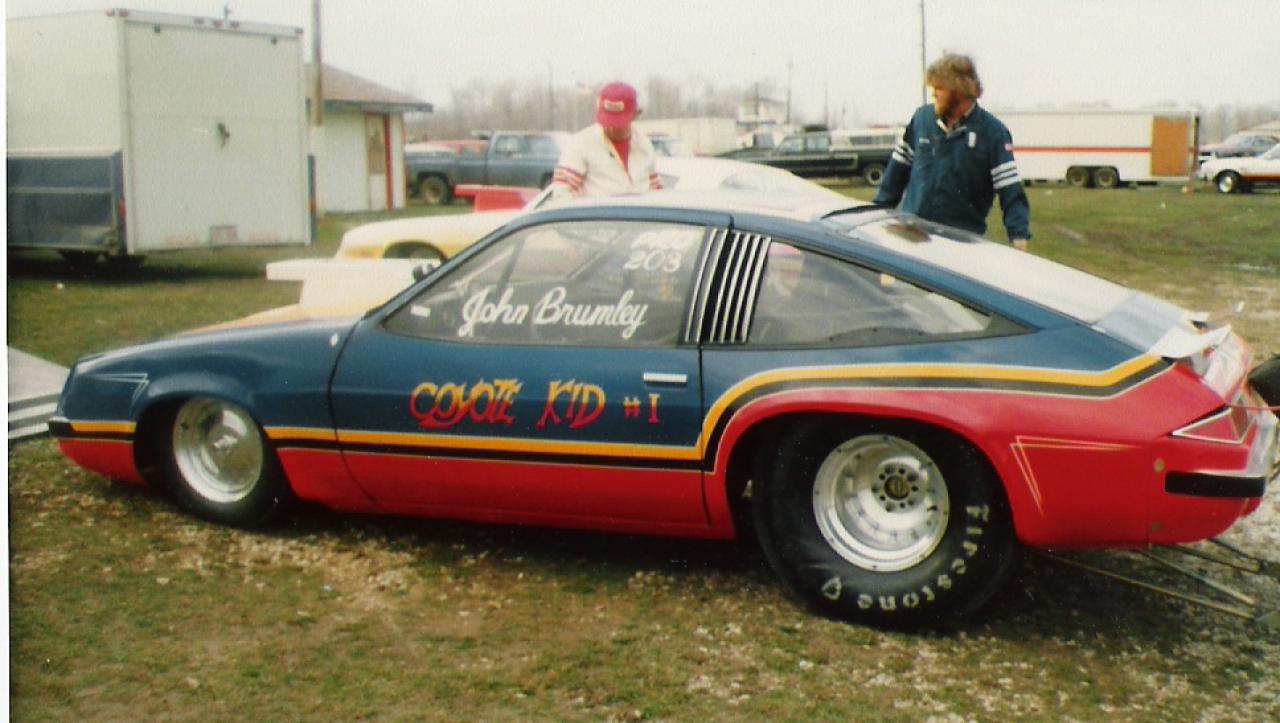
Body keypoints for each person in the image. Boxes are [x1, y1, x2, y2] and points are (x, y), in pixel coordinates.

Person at [874, 54, 1030, 249]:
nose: (933, 93)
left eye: (939, 87)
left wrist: (1018, 235)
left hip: (960, 244)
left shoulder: (993, 133)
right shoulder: (921, 119)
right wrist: (878, 213)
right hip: (912, 237)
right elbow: (896, 173)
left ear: (959, 89)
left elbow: (1010, 189)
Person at [551, 82, 662, 199]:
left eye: (619, 122)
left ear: (636, 114)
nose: (611, 127)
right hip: (597, 210)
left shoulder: (644, 145)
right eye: (607, 120)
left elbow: (655, 191)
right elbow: (562, 193)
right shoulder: (581, 144)